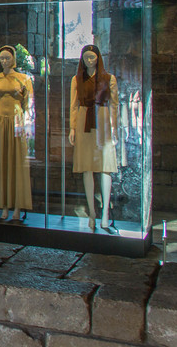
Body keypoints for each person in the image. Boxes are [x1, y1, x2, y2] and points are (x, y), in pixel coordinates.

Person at [69, 44, 120, 230]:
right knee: (87, 167)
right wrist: (72, 128)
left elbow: (114, 104)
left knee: (105, 167)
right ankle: (92, 212)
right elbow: (74, 105)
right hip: (84, 120)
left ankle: (105, 212)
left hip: (103, 120)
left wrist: (115, 128)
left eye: (92, 57)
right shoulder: (77, 79)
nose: (89, 60)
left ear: (98, 58)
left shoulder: (109, 78)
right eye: (86, 57)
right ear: (82, 59)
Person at [0, 45, 33, 221]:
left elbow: (29, 105)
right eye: (2, 58)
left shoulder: (23, 79)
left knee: (17, 161)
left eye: (7, 58)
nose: (4, 61)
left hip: (16, 121)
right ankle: (4, 205)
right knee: (1, 161)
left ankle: (18, 207)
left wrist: (28, 126)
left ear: (13, 59)